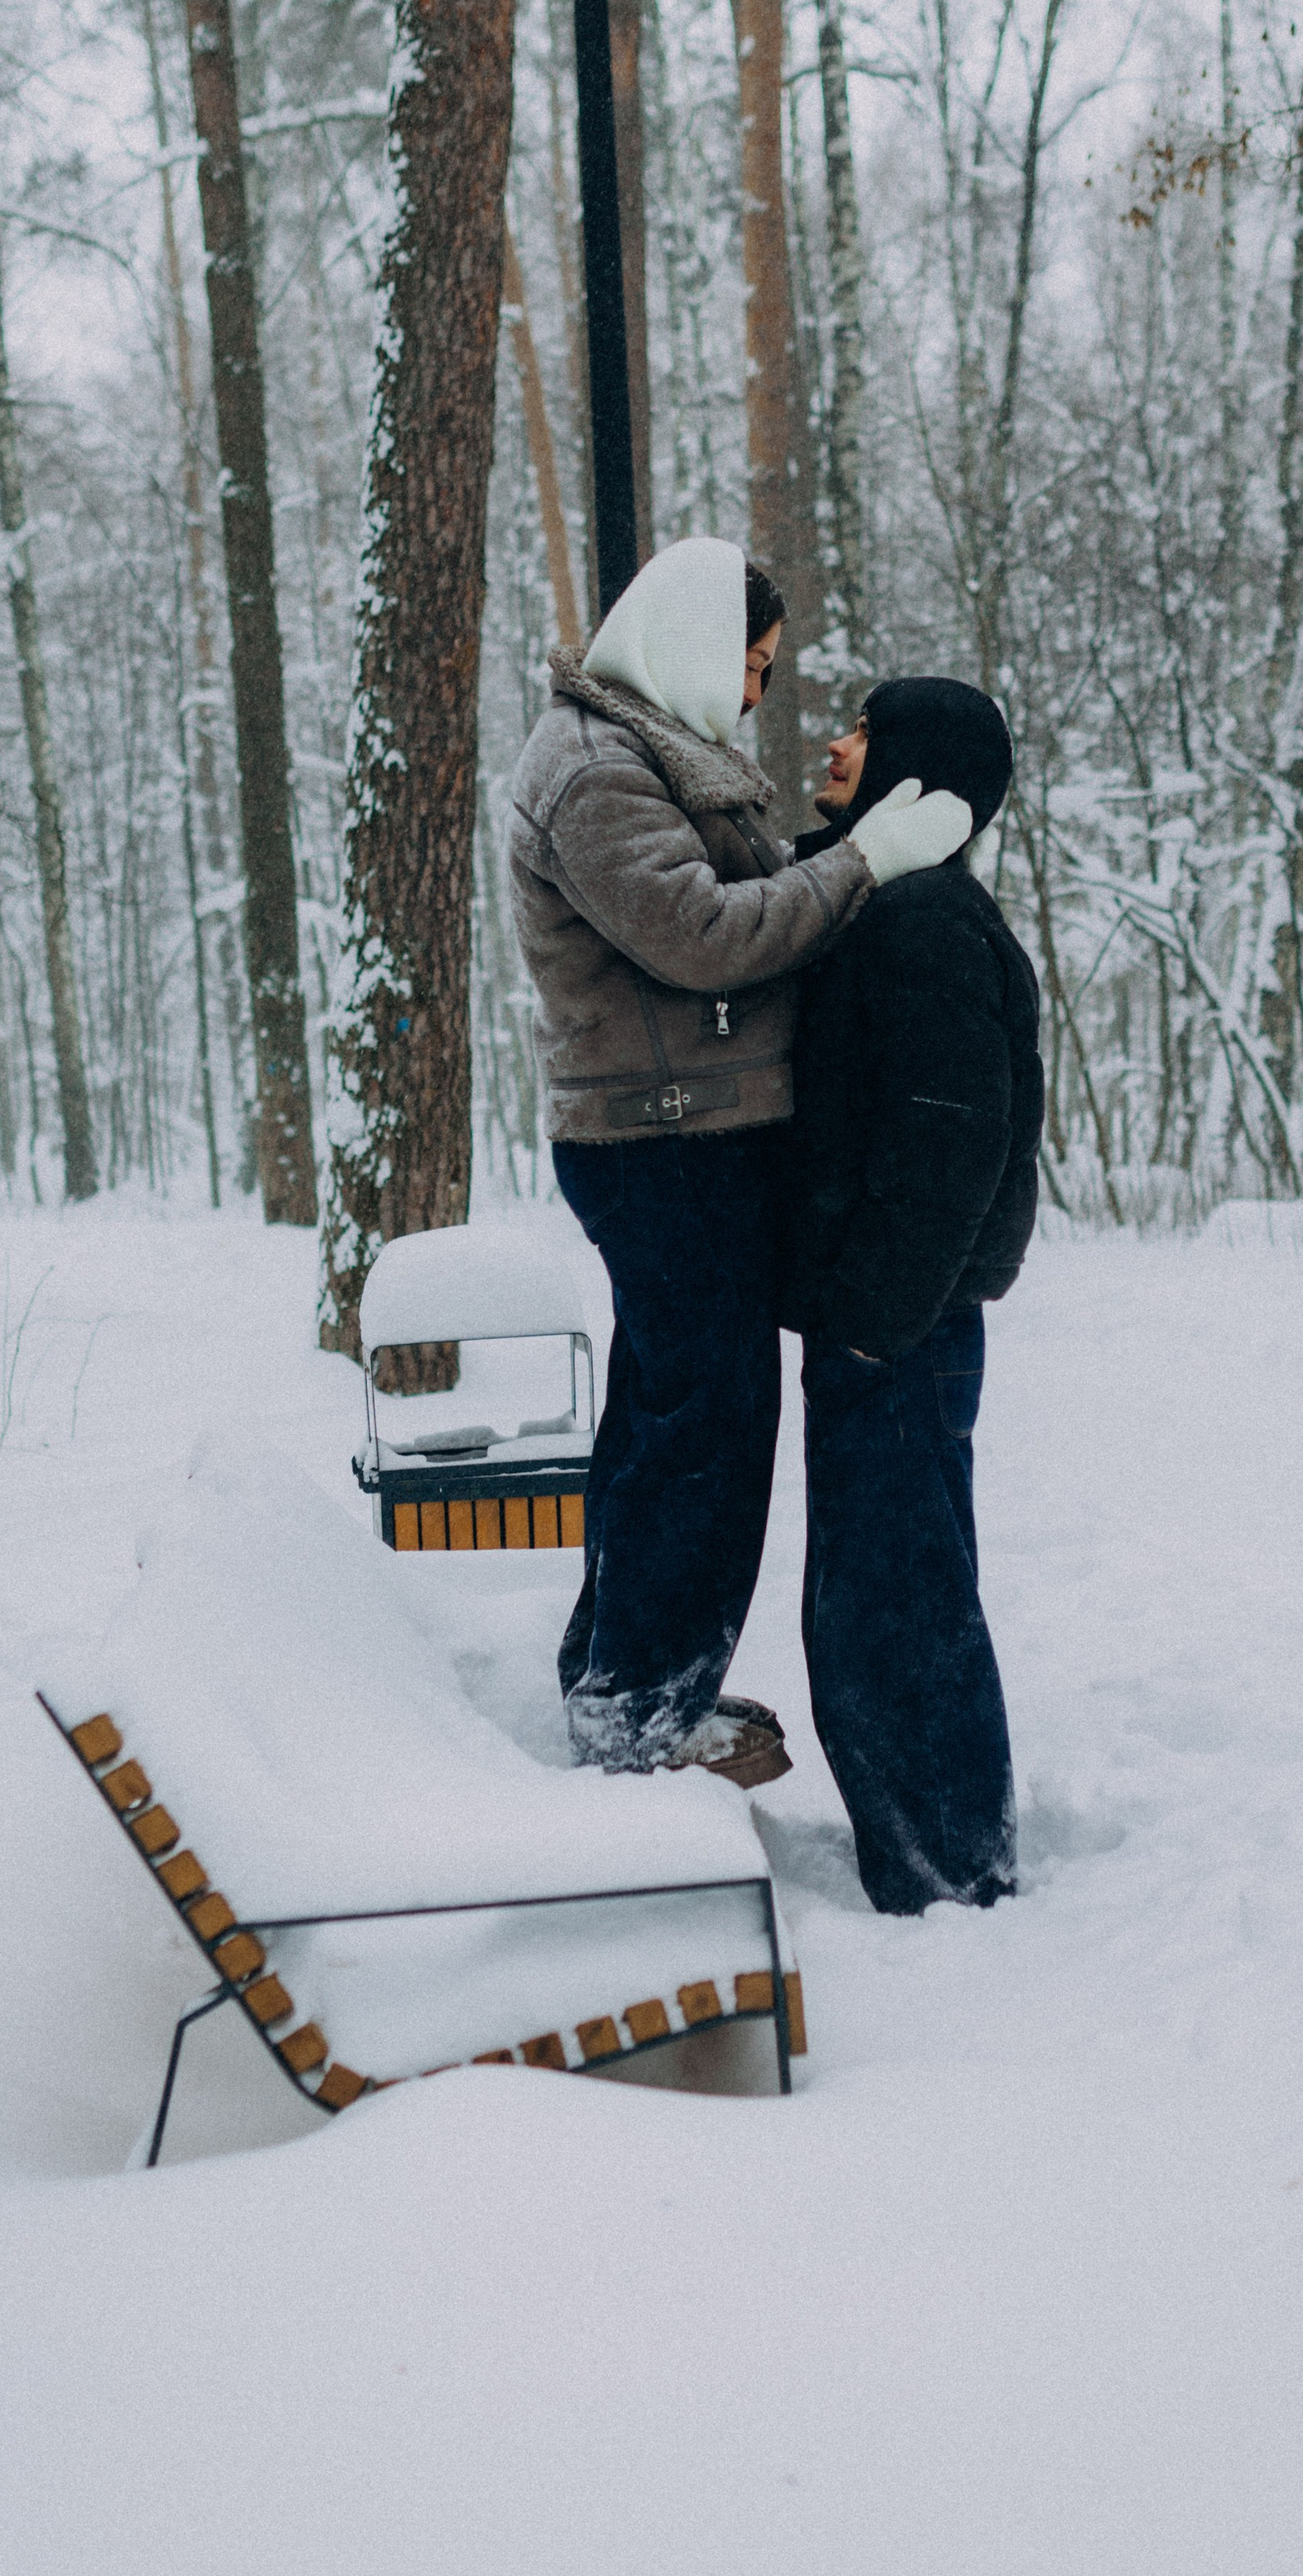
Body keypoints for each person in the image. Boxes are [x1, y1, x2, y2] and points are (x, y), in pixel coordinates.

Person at [508, 537, 973, 1779]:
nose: (761, 694)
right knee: (704, 1424)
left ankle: (618, 1678)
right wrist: (864, 862)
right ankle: (644, 1713)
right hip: (661, 1144)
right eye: (752, 665)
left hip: (684, 1133)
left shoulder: (645, 752)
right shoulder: (597, 771)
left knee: (670, 1416)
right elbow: (704, 937)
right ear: (698, 647)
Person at [781, 677, 1044, 1913]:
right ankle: (929, 1859)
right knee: (874, 1598)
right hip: (884, 1322)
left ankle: (952, 1875)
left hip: (902, 1329)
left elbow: (950, 1141)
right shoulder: (888, 901)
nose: (833, 745)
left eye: (864, 735)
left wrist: (875, 1324)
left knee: (901, 1604)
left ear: (916, 775)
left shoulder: (925, 919)